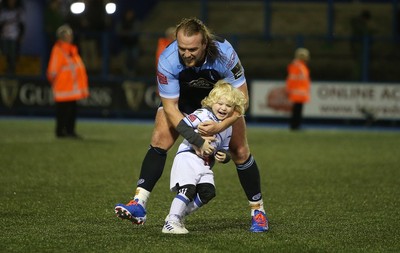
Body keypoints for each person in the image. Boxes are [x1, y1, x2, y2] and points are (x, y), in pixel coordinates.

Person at [115, 17, 269, 233]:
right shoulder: (168, 59)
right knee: (159, 140)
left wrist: (219, 127)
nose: (186, 54)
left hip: (220, 104)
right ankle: (139, 203)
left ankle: (258, 212)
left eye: (193, 49)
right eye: (182, 48)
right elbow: (170, 108)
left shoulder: (225, 54)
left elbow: (243, 101)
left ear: (205, 43)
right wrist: (196, 140)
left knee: (240, 151)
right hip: (183, 103)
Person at [162, 80, 246, 234]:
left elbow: (225, 149)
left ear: (234, 109)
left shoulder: (227, 127)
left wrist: (225, 156)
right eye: (220, 103)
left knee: (208, 192)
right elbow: (182, 126)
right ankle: (171, 221)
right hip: (188, 156)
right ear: (212, 102)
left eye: (228, 106)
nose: (223, 108)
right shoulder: (203, 114)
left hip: (205, 163)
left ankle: (178, 216)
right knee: (188, 189)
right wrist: (199, 142)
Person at [47, 24, 89, 138]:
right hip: (63, 88)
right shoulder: (59, 50)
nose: (71, 36)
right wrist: (56, 84)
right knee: (62, 112)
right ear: (62, 37)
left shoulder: (71, 50)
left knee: (72, 111)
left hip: (71, 89)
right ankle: (60, 132)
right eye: (68, 34)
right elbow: (52, 72)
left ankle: (70, 131)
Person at [285, 48, 311, 131]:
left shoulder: (299, 66)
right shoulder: (298, 66)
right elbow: (292, 79)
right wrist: (289, 89)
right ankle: (295, 126)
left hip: (299, 92)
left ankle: (295, 125)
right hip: (298, 92)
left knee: (297, 110)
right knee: (297, 110)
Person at [0, 0, 25, 75]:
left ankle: (12, 70)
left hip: (14, 36)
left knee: (13, 54)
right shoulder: (4, 11)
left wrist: (21, 36)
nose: (11, 1)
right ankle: (7, 69)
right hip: (5, 35)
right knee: (5, 53)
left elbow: (22, 25)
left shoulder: (19, 10)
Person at [116, 9, 141, 76]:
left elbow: (135, 32)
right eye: (128, 14)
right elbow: (119, 31)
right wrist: (126, 34)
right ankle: (126, 73)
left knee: (134, 58)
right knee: (126, 59)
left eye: (130, 14)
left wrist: (127, 33)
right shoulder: (122, 22)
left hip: (134, 44)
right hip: (125, 44)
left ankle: (134, 72)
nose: (129, 15)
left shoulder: (135, 22)